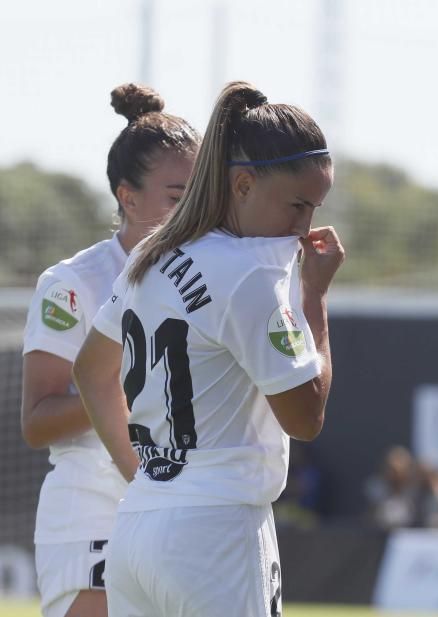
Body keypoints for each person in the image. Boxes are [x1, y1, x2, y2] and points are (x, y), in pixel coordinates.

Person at [71, 81, 345, 617]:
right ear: (242, 184)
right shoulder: (250, 274)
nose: (304, 225)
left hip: (140, 522)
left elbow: (90, 371)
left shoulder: (153, 254)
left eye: (313, 207)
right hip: (218, 533)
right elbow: (306, 417)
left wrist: (144, 474)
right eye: (296, 204)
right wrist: (315, 296)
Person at [20, 83, 199, 617]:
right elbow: (37, 421)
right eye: (176, 196)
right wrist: (122, 381)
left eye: (199, 195)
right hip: (93, 512)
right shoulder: (74, 283)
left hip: (187, 512)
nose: (191, 211)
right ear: (127, 196)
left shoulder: (213, 279)